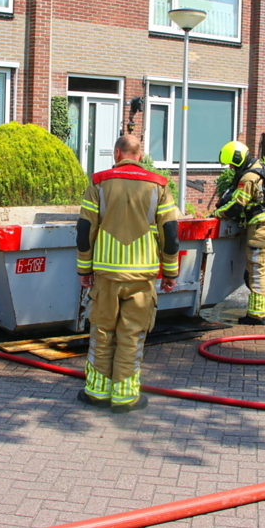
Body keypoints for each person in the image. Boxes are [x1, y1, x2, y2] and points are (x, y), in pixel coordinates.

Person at [76, 134, 179, 414]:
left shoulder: (99, 182)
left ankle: (97, 392)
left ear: (117, 154)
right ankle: (124, 396)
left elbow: (85, 229)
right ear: (139, 155)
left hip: (106, 275)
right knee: (132, 335)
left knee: (102, 331)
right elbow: (170, 233)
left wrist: (84, 269)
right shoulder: (159, 185)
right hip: (142, 277)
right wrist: (170, 272)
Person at [213, 140, 265, 325]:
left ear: (238, 160)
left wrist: (216, 213)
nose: (231, 167)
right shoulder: (261, 167)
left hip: (260, 228)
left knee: (256, 269)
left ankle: (257, 315)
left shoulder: (248, 178)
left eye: (232, 164)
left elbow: (237, 206)